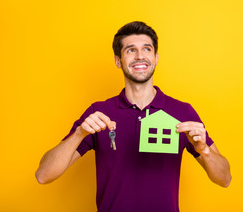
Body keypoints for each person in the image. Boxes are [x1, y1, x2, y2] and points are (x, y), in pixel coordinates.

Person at [35, 21, 232, 212]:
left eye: (146, 49)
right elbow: (43, 175)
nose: (140, 56)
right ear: (118, 61)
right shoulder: (99, 112)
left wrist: (205, 151)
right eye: (130, 50)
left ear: (156, 57)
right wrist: (79, 133)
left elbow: (225, 179)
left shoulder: (181, 111)